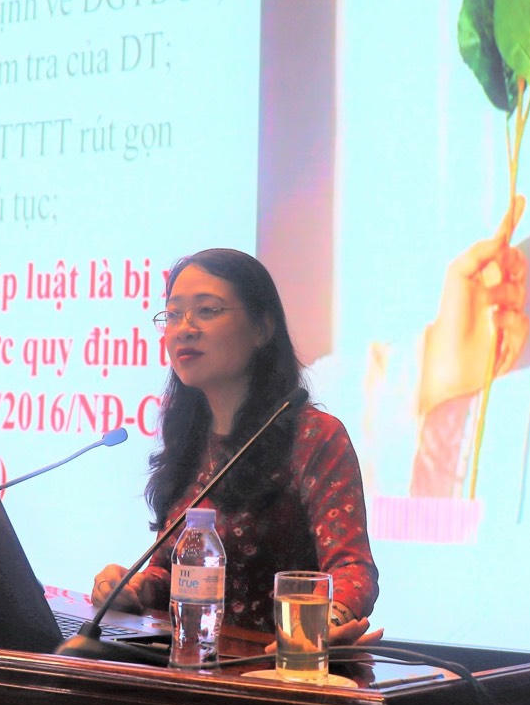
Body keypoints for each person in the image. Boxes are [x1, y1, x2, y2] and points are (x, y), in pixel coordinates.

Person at [91, 248, 381, 645]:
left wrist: (317, 627)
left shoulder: (313, 435)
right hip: (187, 660)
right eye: (173, 314)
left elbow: (352, 569)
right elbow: (172, 572)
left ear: (262, 329)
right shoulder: (189, 436)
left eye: (207, 310)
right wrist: (134, 587)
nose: (184, 328)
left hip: (277, 666)